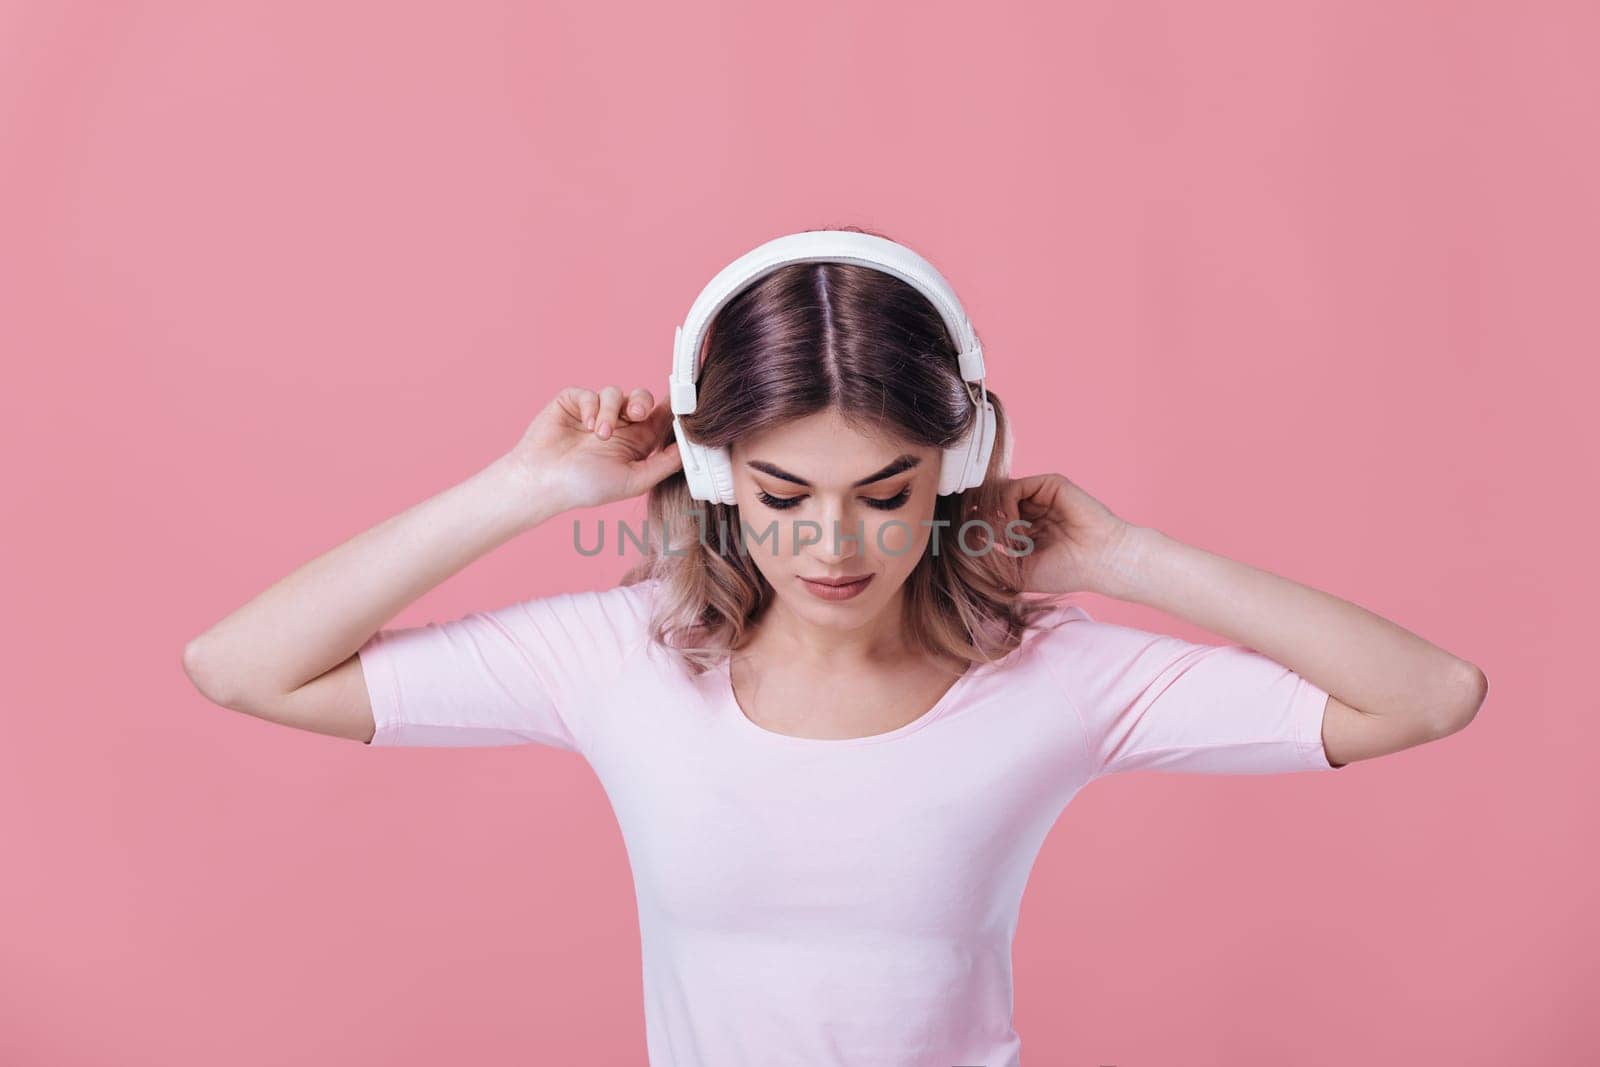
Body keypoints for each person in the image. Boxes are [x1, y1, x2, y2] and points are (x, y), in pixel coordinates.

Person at [182, 227, 1487, 1066]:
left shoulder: (1056, 676)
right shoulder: (614, 662)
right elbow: (241, 667)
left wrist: (1129, 556)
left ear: (959, 462)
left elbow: (1429, 696)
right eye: (783, 495)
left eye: (885, 490)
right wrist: (524, 490)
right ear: (713, 472)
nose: (832, 546)